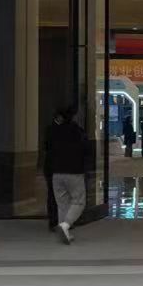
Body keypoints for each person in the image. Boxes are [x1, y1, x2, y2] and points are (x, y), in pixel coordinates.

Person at [43, 105, 92, 245]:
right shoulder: (77, 131)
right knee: (79, 201)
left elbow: (47, 148)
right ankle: (65, 225)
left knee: (62, 203)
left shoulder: (52, 131)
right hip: (74, 171)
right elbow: (87, 149)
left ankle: (64, 231)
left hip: (56, 172)